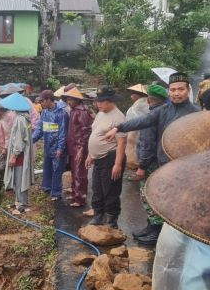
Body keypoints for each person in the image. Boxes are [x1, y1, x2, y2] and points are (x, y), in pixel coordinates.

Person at [103, 72, 200, 168]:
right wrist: (118, 128)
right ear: (168, 91)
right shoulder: (163, 110)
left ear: (188, 90)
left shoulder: (197, 113)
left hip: (186, 164)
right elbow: (143, 120)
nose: (176, 93)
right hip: (163, 164)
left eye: (181, 89)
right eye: (173, 90)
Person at [85, 87, 127, 228]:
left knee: (110, 190)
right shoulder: (101, 114)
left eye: (101, 101)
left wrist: (118, 164)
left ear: (110, 101)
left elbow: (122, 143)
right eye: (97, 101)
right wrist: (90, 155)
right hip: (98, 158)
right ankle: (98, 215)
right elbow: (95, 132)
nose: (98, 104)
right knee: (97, 188)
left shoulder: (119, 117)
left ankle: (111, 219)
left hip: (111, 157)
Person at [133, 85, 169, 245]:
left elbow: (147, 144)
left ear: (148, 99)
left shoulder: (152, 116)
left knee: (148, 195)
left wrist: (141, 166)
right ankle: (151, 226)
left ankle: (155, 230)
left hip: (151, 164)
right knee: (159, 195)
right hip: (163, 162)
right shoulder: (168, 114)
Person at [1, 93, 35, 215]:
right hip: (21, 154)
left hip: (20, 155)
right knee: (18, 178)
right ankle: (18, 201)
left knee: (20, 179)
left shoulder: (20, 120)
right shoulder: (24, 118)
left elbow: (19, 141)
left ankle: (22, 204)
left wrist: (14, 155)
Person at [32, 90, 69, 201]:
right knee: (47, 167)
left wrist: (60, 148)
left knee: (57, 169)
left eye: (42, 101)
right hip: (48, 144)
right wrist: (31, 140)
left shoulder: (61, 112)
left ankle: (56, 192)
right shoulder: (44, 112)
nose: (41, 103)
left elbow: (63, 132)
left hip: (57, 146)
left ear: (49, 99)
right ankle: (47, 187)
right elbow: (40, 128)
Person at [63, 86, 93, 208]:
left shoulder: (82, 112)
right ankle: (76, 194)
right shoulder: (74, 110)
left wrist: (81, 149)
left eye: (70, 99)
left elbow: (85, 131)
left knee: (80, 172)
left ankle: (80, 198)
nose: (68, 102)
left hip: (79, 147)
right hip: (73, 145)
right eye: (68, 99)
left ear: (77, 100)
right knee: (74, 171)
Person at [124, 84, 149, 174]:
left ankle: (138, 169)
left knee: (135, 151)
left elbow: (130, 122)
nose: (131, 95)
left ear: (137, 95)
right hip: (145, 132)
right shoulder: (147, 102)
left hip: (136, 132)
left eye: (132, 93)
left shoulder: (136, 107)